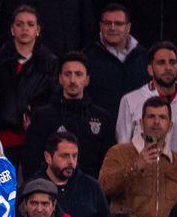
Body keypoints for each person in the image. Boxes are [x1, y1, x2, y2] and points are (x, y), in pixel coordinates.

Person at [100, 96, 177, 217]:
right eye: (151, 116)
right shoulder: (119, 153)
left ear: (170, 126)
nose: (156, 122)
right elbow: (104, 188)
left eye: (162, 117)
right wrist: (135, 166)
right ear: (141, 123)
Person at [115, 42, 177, 188]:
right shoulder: (131, 100)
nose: (168, 67)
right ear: (150, 69)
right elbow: (123, 149)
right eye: (161, 62)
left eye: (172, 62)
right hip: (143, 186)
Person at [22, 51, 113, 180]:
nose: (72, 80)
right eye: (67, 74)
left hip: (90, 189)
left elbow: (109, 163)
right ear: (60, 78)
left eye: (78, 74)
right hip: (51, 189)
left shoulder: (102, 118)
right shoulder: (42, 116)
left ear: (87, 80)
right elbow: (31, 160)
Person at [0, 5, 57, 168]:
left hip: (37, 138)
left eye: (30, 24)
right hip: (3, 138)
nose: (24, 29)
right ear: (12, 29)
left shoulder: (50, 63)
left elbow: (54, 98)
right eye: (19, 24)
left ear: (38, 29)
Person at [25, 131, 109, 217]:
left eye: (74, 156)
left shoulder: (91, 187)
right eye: (64, 156)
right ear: (48, 157)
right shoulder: (31, 188)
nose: (71, 162)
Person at [83, 3, 148, 120]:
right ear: (100, 26)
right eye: (107, 23)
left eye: (118, 24)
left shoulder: (144, 57)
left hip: (138, 125)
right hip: (100, 126)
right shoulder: (86, 58)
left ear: (128, 27)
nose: (112, 28)